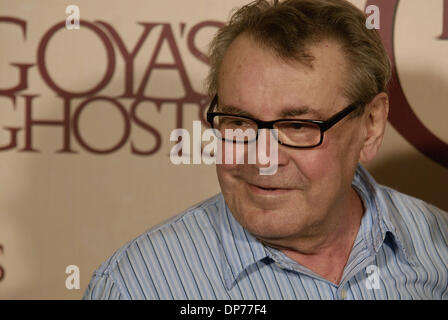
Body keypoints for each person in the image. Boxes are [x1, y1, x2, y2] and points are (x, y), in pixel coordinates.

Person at [83, 0, 448, 299]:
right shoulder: (137, 286)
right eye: (240, 123)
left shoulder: (440, 248)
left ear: (371, 125)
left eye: (298, 126)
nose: (263, 158)